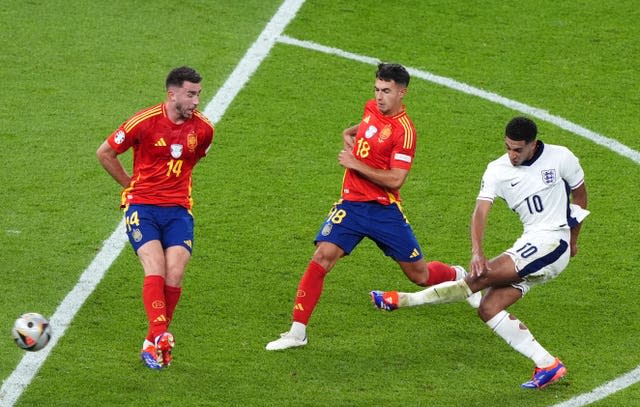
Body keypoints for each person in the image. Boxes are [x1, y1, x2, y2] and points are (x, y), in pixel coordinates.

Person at [266, 63, 479, 351]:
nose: (379, 97)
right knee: (321, 256)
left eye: (387, 91)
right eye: (377, 89)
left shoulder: (405, 132)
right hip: (352, 205)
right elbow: (361, 128)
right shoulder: (371, 109)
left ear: (402, 92)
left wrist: (356, 163)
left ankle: (456, 274)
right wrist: (347, 134)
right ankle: (297, 331)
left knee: (420, 275)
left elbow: (396, 179)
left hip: (383, 211)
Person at [371, 116, 589, 389]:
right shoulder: (497, 170)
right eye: (508, 147)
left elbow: (580, 197)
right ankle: (547, 364)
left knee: (478, 280)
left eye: (518, 149)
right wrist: (477, 252)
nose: (512, 155)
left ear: (533, 145)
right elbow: (480, 212)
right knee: (488, 307)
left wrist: (574, 240)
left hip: (552, 242)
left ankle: (403, 300)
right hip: (530, 243)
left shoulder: (561, 158)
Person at [96, 66, 214, 369]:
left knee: (175, 272)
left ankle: (152, 341)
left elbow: (194, 158)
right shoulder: (144, 122)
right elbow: (105, 152)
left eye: (199, 94)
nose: (196, 101)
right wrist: (129, 186)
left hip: (178, 210)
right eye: (190, 94)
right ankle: (161, 334)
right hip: (142, 207)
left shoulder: (203, 129)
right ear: (171, 93)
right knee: (155, 266)